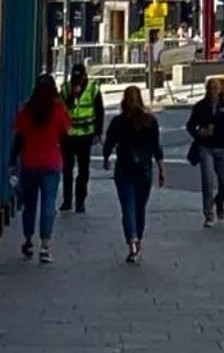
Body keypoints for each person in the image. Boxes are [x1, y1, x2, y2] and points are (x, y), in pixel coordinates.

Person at [10, 73, 71, 263]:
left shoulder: (27, 111)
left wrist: (12, 160)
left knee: (29, 204)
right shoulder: (58, 110)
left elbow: (19, 139)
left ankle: (28, 240)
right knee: (48, 204)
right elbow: (65, 135)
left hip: (30, 163)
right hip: (52, 162)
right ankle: (45, 245)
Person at [102, 85, 166, 262]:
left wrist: (106, 158)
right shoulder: (150, 121)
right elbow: (156, 147)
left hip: (124, 169)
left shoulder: (118, 122)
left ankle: (132, 241)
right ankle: (139, 239)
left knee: (127, 208)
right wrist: (161, 169)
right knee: (140, 208)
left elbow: (109, 142)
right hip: (144, 169)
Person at [185, 77, 224, 226]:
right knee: (208, 180)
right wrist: (200, 133)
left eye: (215, 88)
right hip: (205, 147)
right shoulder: (200, 106)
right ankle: (208, 214)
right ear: (206, 90)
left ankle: (219, 201)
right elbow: (190, 125)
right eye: (210, 88)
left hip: (223, 147)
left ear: (220, 90)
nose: (213, 91)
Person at [60, 63, 105, 213]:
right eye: (74, 79)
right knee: (67, 169)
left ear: (85, 76)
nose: (76, 82)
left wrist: (98, 132)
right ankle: (67, 200)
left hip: (86, 135)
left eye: (79, 79)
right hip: (68, 135)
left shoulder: (93, 89)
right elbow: (60, 109)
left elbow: (99, 111)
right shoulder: (66, 88)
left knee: (83, 170)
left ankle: (80, 200)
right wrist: (72, 95)